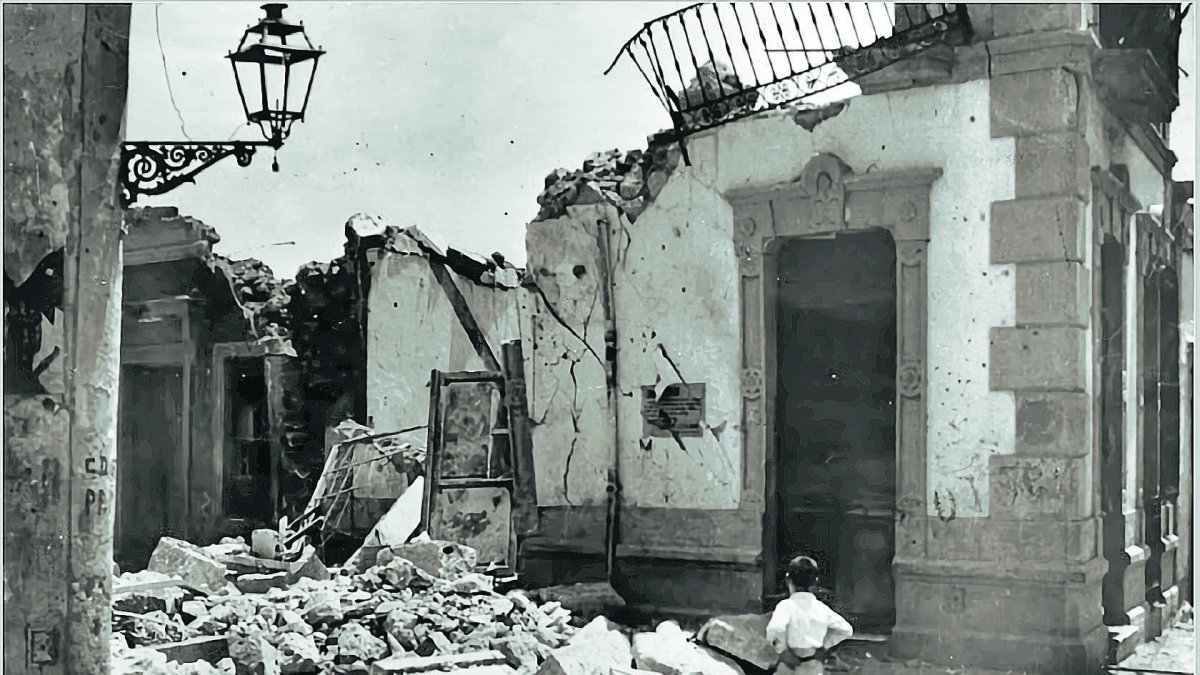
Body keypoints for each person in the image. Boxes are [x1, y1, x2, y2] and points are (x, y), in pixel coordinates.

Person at [766, 555, 854, 675]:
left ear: (788, 580)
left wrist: (782, 648)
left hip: (790, 662)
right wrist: (824, 646)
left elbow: (775, 628)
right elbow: (846, 630)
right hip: (813, 661)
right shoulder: (821, 608)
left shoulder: (786, 606)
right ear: (815, 582)